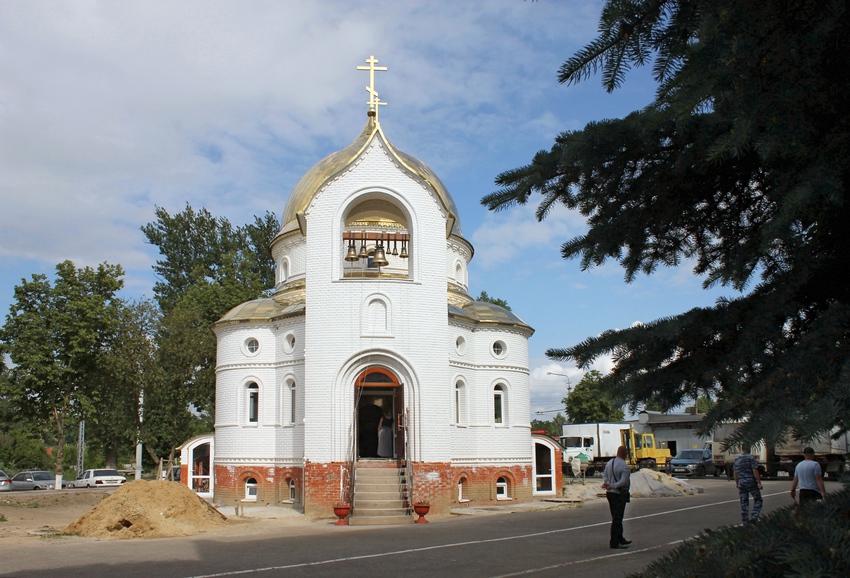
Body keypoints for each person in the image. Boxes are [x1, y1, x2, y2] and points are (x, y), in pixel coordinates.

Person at [601, 445, 631, 549]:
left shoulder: (610, 463)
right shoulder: (624, 466)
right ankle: (614, 542)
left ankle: (620, 537)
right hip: (619, 494)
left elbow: (604, 475)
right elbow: (624, 481)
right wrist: (613, 485)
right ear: (624, 453)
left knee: (616, 516)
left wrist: (607, 483)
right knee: (617, 518)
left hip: (610, 493)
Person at [733, 445, 763, 524]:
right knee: (758, 499)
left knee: (744, 501)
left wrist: (737, 483)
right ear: (749, 449)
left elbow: (735, 473)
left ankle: (745, 520)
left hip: (741, 482)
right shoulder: (751, 458)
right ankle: (754, 516)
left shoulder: (737, 459)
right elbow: (755, 471)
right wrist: (759, 483)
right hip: (750, 481)